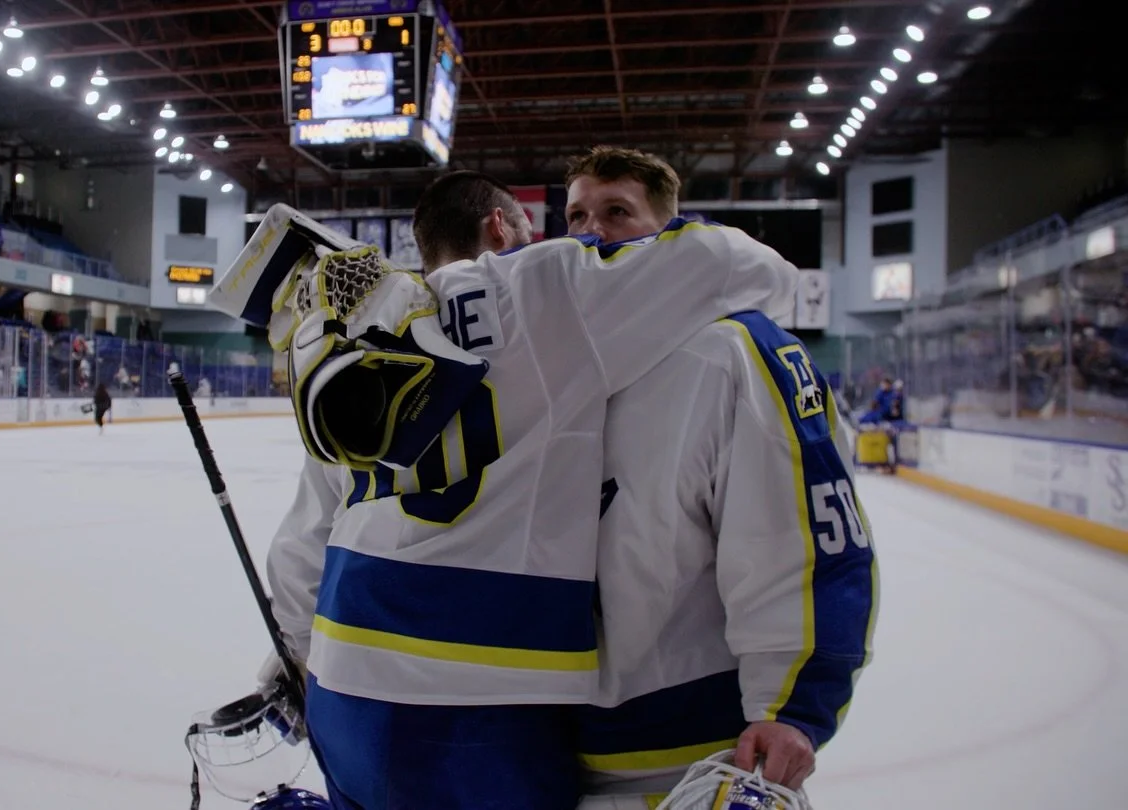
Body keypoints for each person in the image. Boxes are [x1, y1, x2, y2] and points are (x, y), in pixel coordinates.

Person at [208, 172, 799, 809]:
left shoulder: (357, 343)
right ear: (500, 227)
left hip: (342, 682)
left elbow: (302, 549)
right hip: (486, 699)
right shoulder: (547, 284)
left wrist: (300, 657)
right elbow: (749, 268)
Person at [560, 146, 875, 804]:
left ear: (669, 230)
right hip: (557, 748)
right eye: (577, 215)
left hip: (698, 756)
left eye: (618, 212)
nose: (592, 231)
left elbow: (803, 544)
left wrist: (791, 706)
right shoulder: (557, 361)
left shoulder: (731, 351)